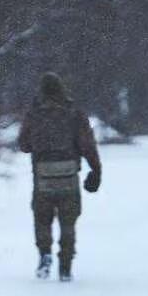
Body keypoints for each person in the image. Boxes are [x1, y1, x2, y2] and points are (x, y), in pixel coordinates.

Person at [18, 72, 101, 281]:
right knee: (68, 223)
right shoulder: (74, 113)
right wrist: (96, 170)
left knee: (42, 220)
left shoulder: (34, 113)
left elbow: (24, 145)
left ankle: (44, 255)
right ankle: (65, 265)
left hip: (43, 177)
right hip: (69, 176)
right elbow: (87, 145)